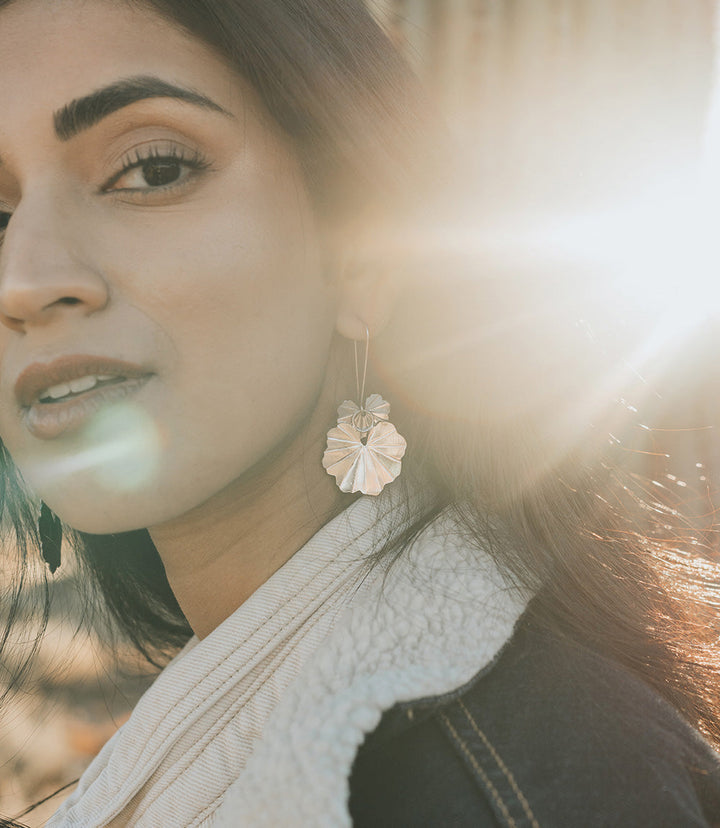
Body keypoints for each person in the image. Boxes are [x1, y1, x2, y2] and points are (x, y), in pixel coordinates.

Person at [0, 0, 719, 825]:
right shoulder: (226, 721)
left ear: (363, 256)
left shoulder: (536, 781)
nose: (22, 278)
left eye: (154, 168)